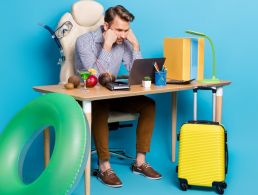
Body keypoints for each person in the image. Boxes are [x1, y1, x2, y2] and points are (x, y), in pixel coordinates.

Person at [75, 5, 161, 188]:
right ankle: (104, 166)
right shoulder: (84, 42)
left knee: (148, 105)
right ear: (106, 27)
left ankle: (139, 162)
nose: (123, 35)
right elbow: (95, 78)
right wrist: (106, 45)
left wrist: (136, 45)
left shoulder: (124, 43)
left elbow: (139, 74)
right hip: (90, 96)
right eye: (119, 30)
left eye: (127, 30)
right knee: (100, 105)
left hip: (112, 93)